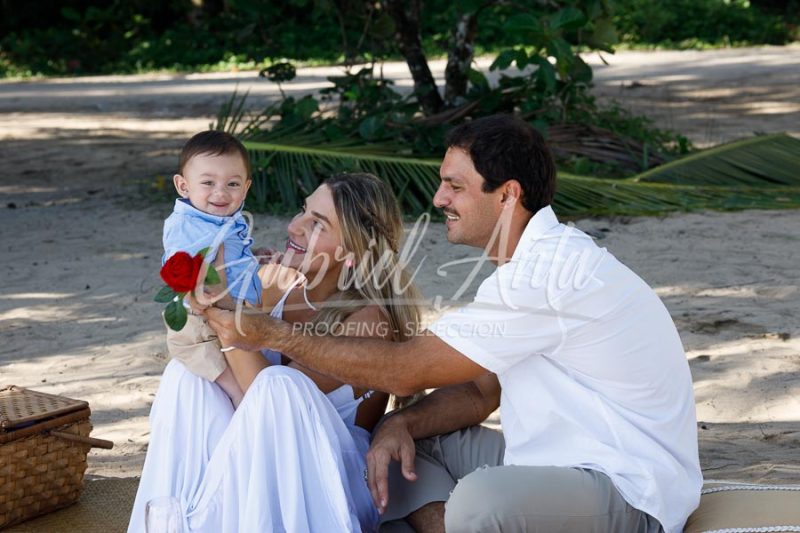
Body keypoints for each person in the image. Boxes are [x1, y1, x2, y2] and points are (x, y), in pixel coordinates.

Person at [204, 114, 703, 533]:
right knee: (403, 450)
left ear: (507, 195)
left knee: (480, 501)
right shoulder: (526, 267)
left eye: (455, 186)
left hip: (629, 486)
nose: (439, 198)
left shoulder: (549, 275)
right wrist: (399, 423)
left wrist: (272, 334)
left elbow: (405, 370)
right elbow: (480, 392)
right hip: (557, 460)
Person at [129, 172, 422, 532]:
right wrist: (217, 284)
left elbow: (269, 403)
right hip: (261, 467)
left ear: (353, 252)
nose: (294, 227)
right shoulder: (277, 287)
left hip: (330, 482)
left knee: (279, 384)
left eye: (318, 224)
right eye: (303, 210)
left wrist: (226, 312)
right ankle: (165, 522)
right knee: (187, 376)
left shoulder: (368, 320)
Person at [161, 130, 267, 408]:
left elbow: (227, 255)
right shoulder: (185, 224)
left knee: (235, 354)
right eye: (208, 182)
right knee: (205, 353)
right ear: (183, 186)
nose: (220, 192)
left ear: (246, 187)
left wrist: (254, 256)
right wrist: (195, 293)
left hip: (234, 309)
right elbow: (177, 264)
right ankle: (234, 392)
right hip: (201, 313)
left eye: (232, 184)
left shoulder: (224, 218)